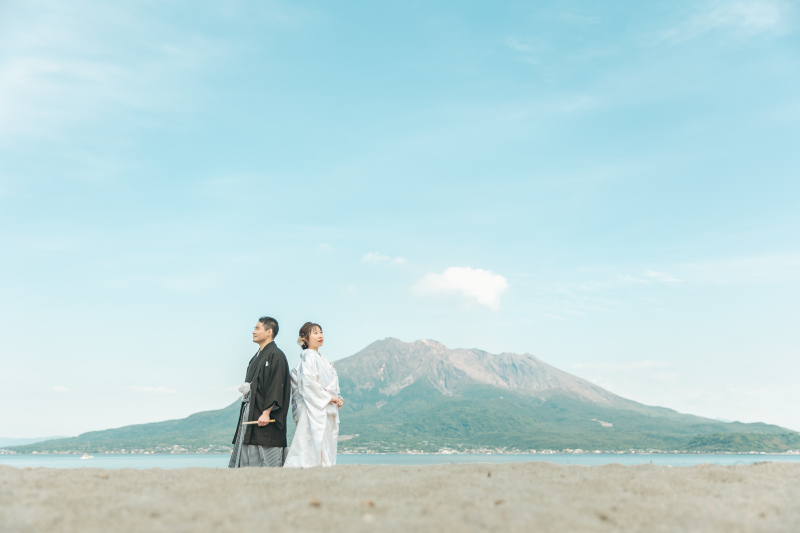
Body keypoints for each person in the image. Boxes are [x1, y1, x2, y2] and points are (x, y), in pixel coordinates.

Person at [229, 316, 291, 468]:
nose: (253, 332)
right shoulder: (255, 358)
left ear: (269, 331)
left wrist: (267, 411)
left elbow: (276, 386)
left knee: (266, 452)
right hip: (250, 409)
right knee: (247, 447)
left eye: (257, 328)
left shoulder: (276, 355)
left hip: (265, 412)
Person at [283, 322, 343, 468]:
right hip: (313, 409)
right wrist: (330, 398)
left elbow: (328, 385)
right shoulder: (308, 356)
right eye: (315, 333)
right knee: (311, 445)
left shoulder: (321, 358)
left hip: (323, 407)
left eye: (321, 332)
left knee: (321, 444)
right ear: (304, 338)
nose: (320, 335)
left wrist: (337, 397)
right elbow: (308, 384)